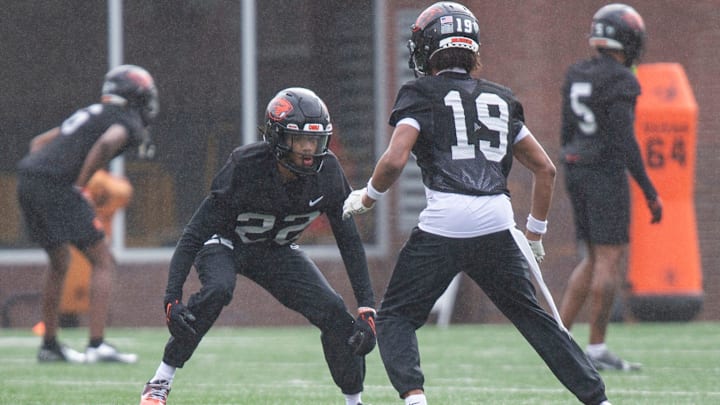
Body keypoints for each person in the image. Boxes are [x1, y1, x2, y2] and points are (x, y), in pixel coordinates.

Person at [342, 2, 611, 404]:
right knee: (535, 319)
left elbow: (396, 159)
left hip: (445, 220)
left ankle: (415, 398)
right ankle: (598, 400)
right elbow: (545, 169)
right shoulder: (501, 98)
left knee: (397, 316)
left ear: (427, 47)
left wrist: (367, 197)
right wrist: (535, 232)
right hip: (496, 220)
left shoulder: (419, 92)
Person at [139, 87, 376, 405]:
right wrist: (172, 298)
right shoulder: (246, 166)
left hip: (275, 249)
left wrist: (366, 307)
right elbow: (194, 234)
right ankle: (160, 380)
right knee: (218, 289)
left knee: (334, 312)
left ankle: (354, 402)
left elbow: (349, 242)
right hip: (226, 242)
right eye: (300, 140)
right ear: (277, 138)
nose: (309, 150)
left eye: (316, 141)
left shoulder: (328, 172)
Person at [16, 64, 159, 363]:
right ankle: (96, 344)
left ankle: (50, 346)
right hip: (56, 185)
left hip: (29, 178)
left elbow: (38, 143)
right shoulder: (126, 120)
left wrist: (47, 174)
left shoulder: (93, 111)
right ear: (137, 96)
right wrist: (80, 185)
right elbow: (108, 141)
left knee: (59, 261)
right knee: (103, 260)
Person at [558, 3, 663, 372]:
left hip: (574, 167)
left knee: (590, 258)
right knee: (609, 259)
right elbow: (624, 140)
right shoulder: (621, 79)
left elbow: (566, 133)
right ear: (628, 39)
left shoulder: (576, 72)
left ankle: (558, 340)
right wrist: (649, 190)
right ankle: (596, 346)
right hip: (603, 171)